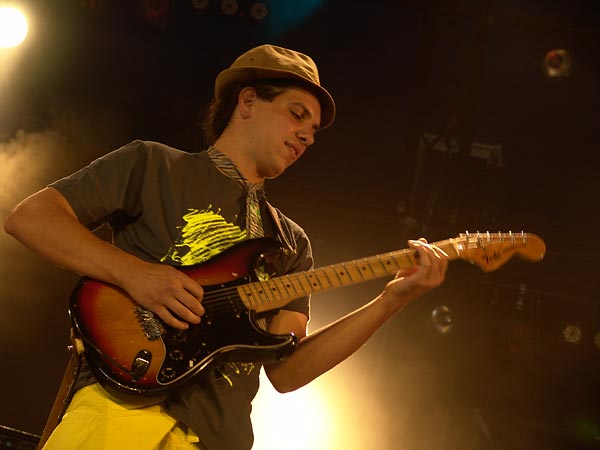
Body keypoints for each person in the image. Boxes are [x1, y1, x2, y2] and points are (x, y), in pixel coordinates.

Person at [3, 44, 448, 450]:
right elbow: (31, 218)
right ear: (248, 101)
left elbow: (288, 372)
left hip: (218, 440)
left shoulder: (291, 242)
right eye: (297, 115)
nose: (307, 136)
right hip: (117, 415)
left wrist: (390, 300)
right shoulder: (154, 165)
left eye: (313, 130)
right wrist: (135, 274)